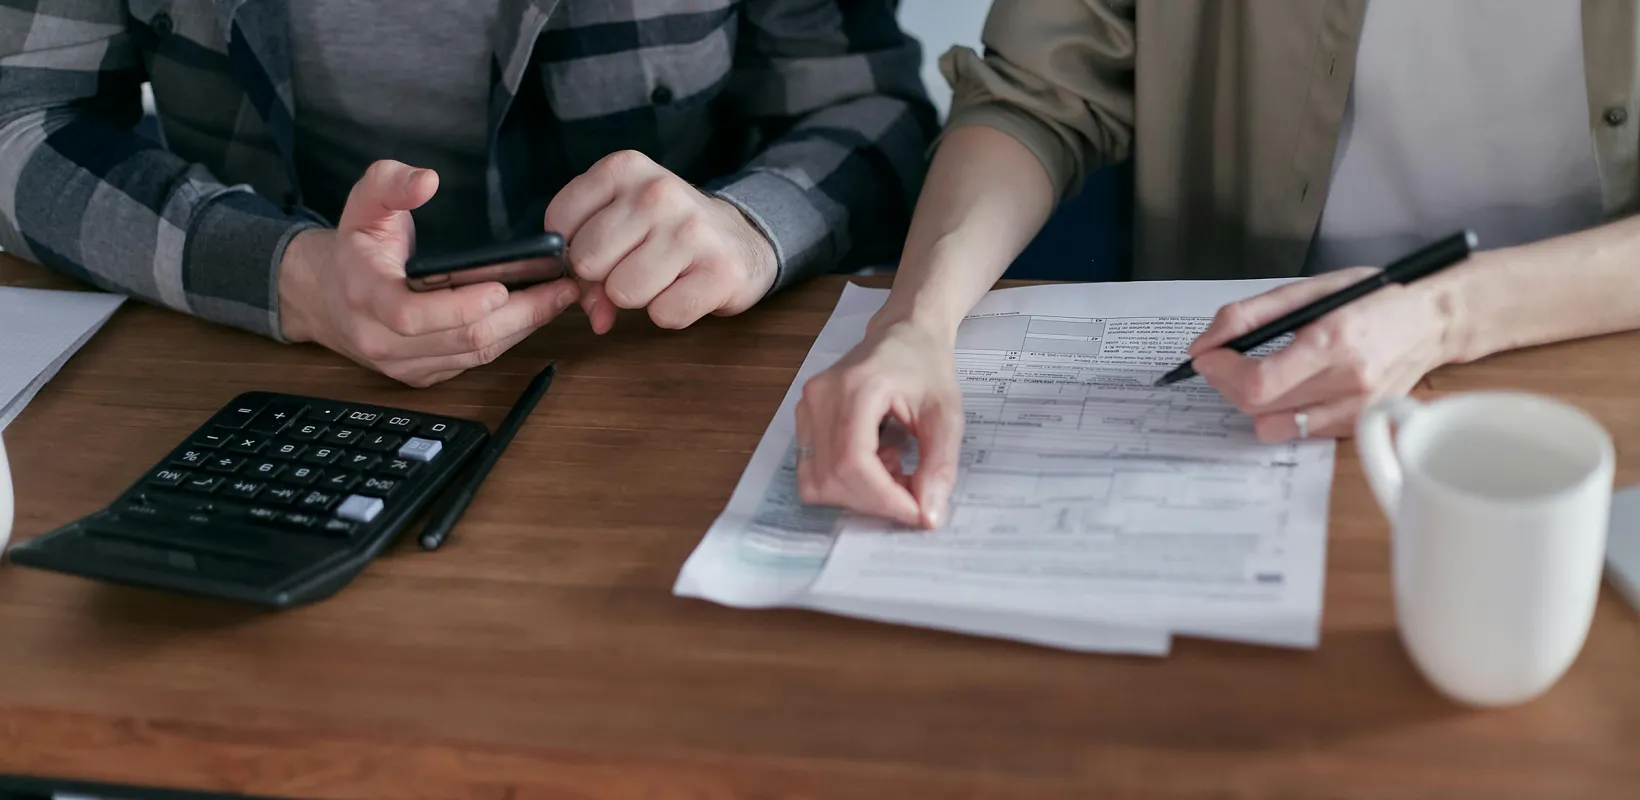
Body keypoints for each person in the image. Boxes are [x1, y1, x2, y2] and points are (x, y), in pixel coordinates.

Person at [795, 0, 1640, 529]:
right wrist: (916, 322)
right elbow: (1033, 95)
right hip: (1249, 399)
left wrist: (1446, 314)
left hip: (1580, 365)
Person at [0, 1, 935, 387]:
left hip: (651, 372)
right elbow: (20, 117)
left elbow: (872, 107)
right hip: (262, 368)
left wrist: (747, 225)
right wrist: (286, 274)